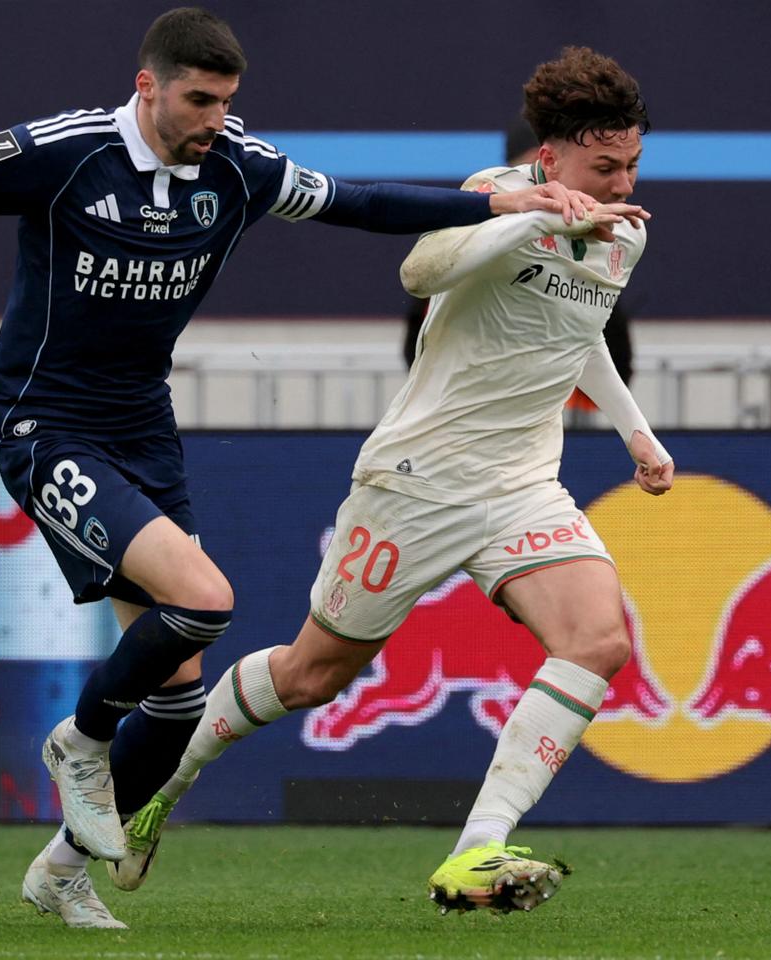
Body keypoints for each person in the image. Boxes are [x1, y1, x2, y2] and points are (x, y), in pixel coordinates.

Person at [0, 8, 592, 930]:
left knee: (181, 698)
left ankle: (62, 871)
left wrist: (498, 205)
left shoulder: (237, 167)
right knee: (206, 598)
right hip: (45, 426)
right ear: (147, 86)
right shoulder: (68, 153)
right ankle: (80, 742)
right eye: (198, 100)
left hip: (143, 431)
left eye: (226, 101)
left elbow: (361, 203)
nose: (214, 119)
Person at [125, 45, 671, 915]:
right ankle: (160, 783)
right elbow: (419, 271)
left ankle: (477, 848)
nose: (622, 184)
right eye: (605, 167)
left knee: (598, 640)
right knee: (311, 675)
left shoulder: (625, 231)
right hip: (418, 481)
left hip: (521, 485)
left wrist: (638, 434)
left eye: (632, 164)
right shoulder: (495, 194)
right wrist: (530, 219)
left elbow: (579, 336)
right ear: (550, 157)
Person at [403, 119, 635, 421]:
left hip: (563, 417)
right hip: (466, 414)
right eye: (533, 165)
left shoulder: (606, 244)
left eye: (631, 166)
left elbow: (593, 339)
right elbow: (417, 283)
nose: (547, 182)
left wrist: (631, 427)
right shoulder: (478, 221)